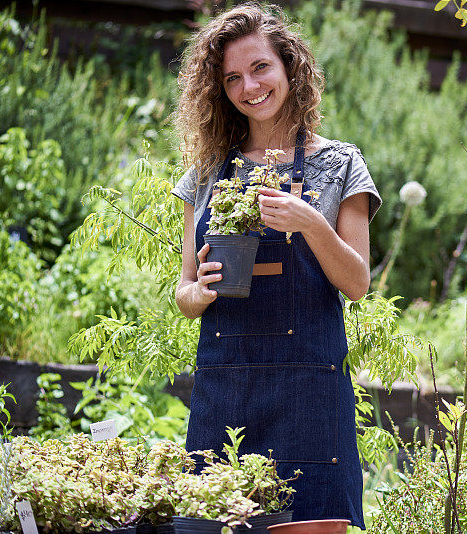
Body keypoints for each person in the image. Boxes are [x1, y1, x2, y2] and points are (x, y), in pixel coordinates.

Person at [171, 2, 381, 528]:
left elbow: (357, 283)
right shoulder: (205, 174)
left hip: (309, 395)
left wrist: (311, 222)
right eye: (233, 77)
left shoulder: (340, 166)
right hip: (226, 390)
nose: (250, 86)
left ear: (290, 67)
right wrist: (201, 293)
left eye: (261, 67)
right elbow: (185, 292)